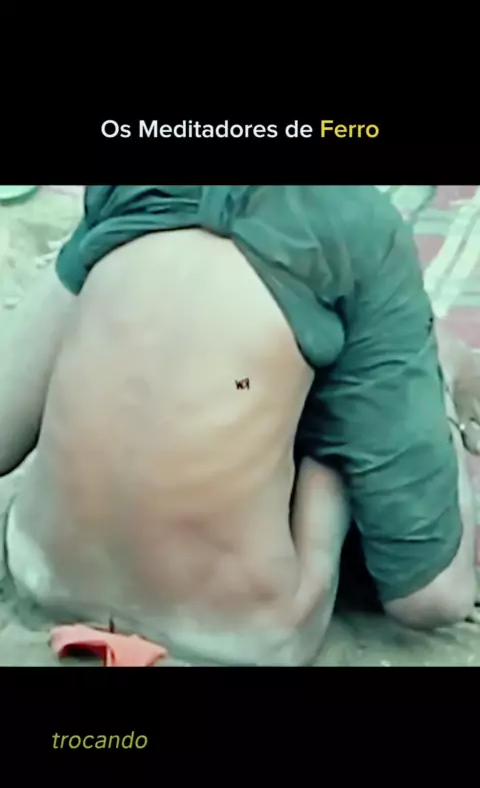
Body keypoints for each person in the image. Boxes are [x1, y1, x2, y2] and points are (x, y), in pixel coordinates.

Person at [0, 185, 478, 666]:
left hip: (43, 571)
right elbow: (432, 596)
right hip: (239, 633)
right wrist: (434, 375)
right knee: (356, 383)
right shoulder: (358, 226)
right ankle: (433, 364)